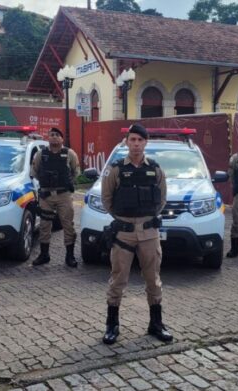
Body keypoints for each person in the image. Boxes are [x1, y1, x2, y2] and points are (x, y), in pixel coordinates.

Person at [100, 124, 172, 345]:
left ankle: (156, 324)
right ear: (126, 142)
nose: (136, 144)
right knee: (118, 279)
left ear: (146, 143)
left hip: (149, 232)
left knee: (153, 279)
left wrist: (144, 219)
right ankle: (112, 325)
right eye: (132, 140)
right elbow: (107, 199)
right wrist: (125, 219)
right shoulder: (116, 169)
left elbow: (161, 199)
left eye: (140, 140)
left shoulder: (156, 169)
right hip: (124, 233)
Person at [31, 127, 80, 267]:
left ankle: (69, 256)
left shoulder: (69, 153)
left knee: (68, 225)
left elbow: (76, 172)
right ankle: (44, 255)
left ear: (62, 139)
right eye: (51, 135)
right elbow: (34, 172)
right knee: (45, 226)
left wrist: (68, 183)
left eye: (57, 135)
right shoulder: (41, 154)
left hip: (64, 195)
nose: (53, 137)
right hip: (46, 196)